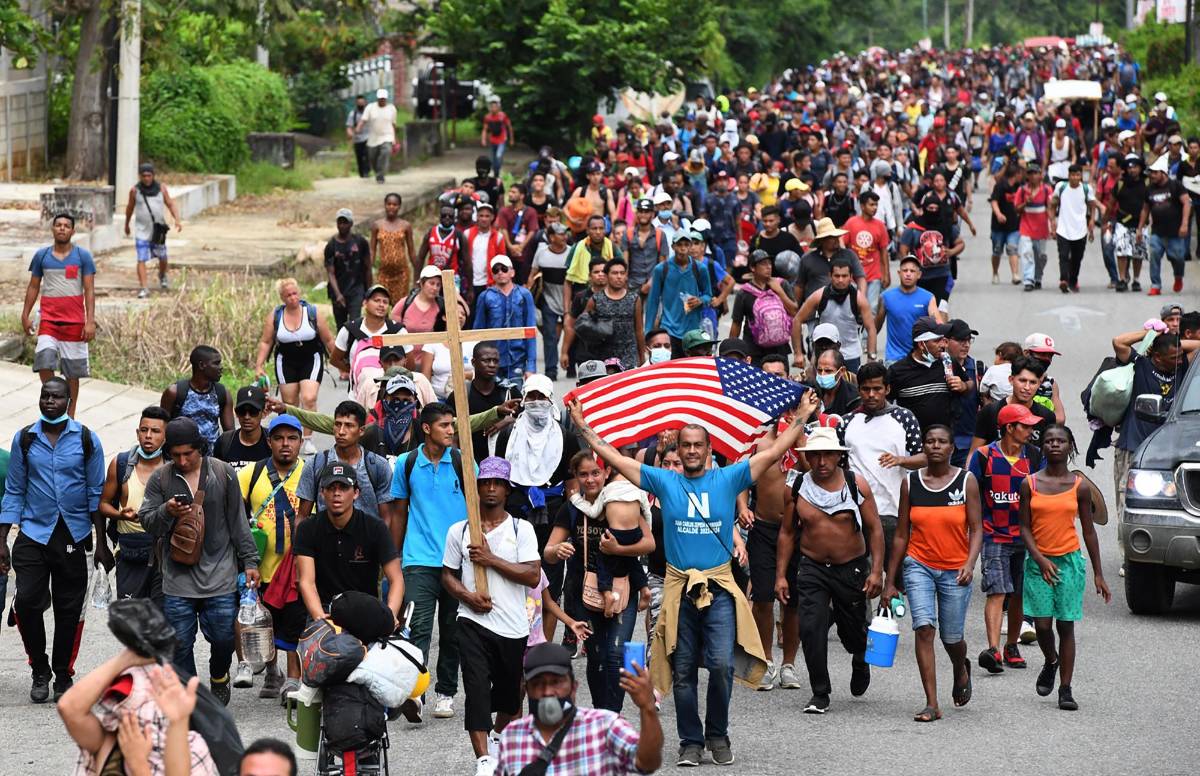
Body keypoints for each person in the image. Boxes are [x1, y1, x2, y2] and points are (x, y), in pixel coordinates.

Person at [569, 392, 817, 767]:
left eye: (698, 445)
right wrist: (583, 426)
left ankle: (718, 734)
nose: (691, 451)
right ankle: (690, 740)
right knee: (682, 668)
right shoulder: (664, 481)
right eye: (685, 445)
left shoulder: (728, 477)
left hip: (718, 588)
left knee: (720, 664)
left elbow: (772, 451)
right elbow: (614, 457)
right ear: (677, 449)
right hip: (677, 587)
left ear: (708, 448)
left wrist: (801, 416)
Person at [138, 417, 260, 705]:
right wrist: (167, 511)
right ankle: (192, 696)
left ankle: (219, 675)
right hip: (177, 578)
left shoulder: (224, 474)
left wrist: (251, 560)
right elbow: (147, 522)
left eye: (188, 454)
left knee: (223, 639)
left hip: (220, 575)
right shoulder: (161, 479)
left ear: (200, 449)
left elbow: (238, 522)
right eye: (175, 454)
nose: (181, 460)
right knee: (179, 644)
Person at [0, 377, 107, 702]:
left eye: (57, 397)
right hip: (32, 533)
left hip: (73, 533)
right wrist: (2, 538)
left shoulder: (87, 440)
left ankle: (62, 673)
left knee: (68, 609)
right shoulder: (25, 440)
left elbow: (94, 494)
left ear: (68, 402)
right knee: (27, 602)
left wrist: (100, 542)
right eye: (45, 396)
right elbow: (14, 489)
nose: (50, 401)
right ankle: (39, 668)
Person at [441, 457, 541, 776]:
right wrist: (468, 596)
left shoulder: (520, 529)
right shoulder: (460, 530)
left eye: (497, 483)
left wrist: (490, 558)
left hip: (512, 626)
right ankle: (483, 759)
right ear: (477, 487)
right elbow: (447, 575)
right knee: (476, 688)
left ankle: (497, 736)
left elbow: (532, 575)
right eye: (485, 482)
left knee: (511, 698)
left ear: (507, 489)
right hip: (471, 620)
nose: (491, 488)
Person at [777, 427, 885, 715]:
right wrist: (780, 576)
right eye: (815, 455)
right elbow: (787, 533)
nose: (821, 461)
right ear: (807, 458)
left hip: (851, 567)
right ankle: (820, 692)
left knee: (854, 632)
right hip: (812, 567)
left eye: (827, 455)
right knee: (810, 629)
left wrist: (876, 572)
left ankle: (860, 657)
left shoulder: (855, 484)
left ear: (839, 456)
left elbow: (875, 529)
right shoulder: (796, 486)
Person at [882, 424, 982, 722]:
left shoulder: (967, 481)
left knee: (952, 638)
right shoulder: (910, 483)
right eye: (929, 441)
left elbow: (976, 529)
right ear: (923, 447)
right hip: (919, 564)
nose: (935, 446)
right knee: (924, 629)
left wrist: (969, 563)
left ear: (952, 447)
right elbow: (901, 535)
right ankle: (932, 703)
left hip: (955, 569)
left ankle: (960, 666)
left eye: (941, 442)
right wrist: (890, 580)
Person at [543, 450, 647, 712]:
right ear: (575, 477)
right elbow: (548, 551)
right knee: (597, 656)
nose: (590, 480)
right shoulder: (572, 508)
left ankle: (612, 716)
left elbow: (649, 543)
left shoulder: (620, 499)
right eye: (583, 474)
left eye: (595, 473)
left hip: (622, 589)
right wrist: (558, 551)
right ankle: (602, 714)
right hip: (583, 593)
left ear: (606, 473)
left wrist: (618, 550)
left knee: (615, 654)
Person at [1019, 425, 1112, 711]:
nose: (1055, 445)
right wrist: (1040, 558)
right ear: (1043, 447)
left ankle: (1066, 689)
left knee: (1066, 625)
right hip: (1038, 562)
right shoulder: (1029, 484)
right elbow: (1024, 527)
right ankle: (1051, 660)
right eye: (1049, 441)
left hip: (1069, 562)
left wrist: (1098, 573)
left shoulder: (1079, 486)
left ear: (1070, 446)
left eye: (1061, 440)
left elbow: (1089, 531)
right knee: (1043, 624)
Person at [392, 402, 473, 722]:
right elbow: (398, 512)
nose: (451, 430)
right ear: (426, 429)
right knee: (417, 628)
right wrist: (394, 557)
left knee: (453, 630)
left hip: (458, 560)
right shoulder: (406, 463)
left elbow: (477, 506)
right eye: (444, 425)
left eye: (452, 425)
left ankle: (446, 692)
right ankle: (415, 692)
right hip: (418, 559)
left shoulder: (462, 461)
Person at [495, 642, 663, 775]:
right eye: (538, 684)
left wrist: (647, 707)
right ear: (527, 690)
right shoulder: (512, 736)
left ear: (574, 688)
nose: (547, 692)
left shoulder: (605, 726)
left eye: (556, 682)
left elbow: (647, 763)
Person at [234, 415, 306, 699]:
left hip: (296, 563)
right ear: (269, 442)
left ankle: (292, 678)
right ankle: (271, 670)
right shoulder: (250, 474)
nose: (285, 444)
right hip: (261, 563)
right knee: (266, 619)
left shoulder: (310, 473)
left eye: (292, 438)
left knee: (295, 619)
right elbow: (235, 511)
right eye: (278, 438)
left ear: (301, 442)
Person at [968, 402, 1042, 674]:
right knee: (997, 591)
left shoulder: (1034, 456)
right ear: (1009, 428)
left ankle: (1012, 646)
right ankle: (994, 649)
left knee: (1018, 595)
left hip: (1026, 537)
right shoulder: (984, 456)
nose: (1031, 430)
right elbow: (971, 492)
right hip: (994, 536)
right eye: (1025, 426)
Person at [59, 651, 215, 776]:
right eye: (119, 699)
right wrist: (125, 659)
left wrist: (138, 765)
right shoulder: (109, 738)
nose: (122, 712)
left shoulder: (192, 749)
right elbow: (69, 708)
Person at [294, 461, 404, 621]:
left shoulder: (375, 528)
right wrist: (320, 618)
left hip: (366, 610)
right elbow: (306, 582)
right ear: (322, 493)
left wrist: (390, 615)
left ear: (356, 493)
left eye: (344, 488)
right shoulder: (307, 528)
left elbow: (396, 579)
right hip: (324, 609)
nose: (336, 493)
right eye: (331, 488)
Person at [20, 213, 97, 418]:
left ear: (73, 231)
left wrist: (90, 321)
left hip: (74, 323)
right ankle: (55, 395)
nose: (62, 228)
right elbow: (33, 286)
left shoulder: (83, 256)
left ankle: (69, 416)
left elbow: (89, 290)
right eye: (58, 225)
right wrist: (25, 314)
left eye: (66, 226)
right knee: (44, 361)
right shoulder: (42, 256)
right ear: (52, 229)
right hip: (49, 321)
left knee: (72, 373)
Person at [254, 278, 335, 455]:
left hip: (310, 358)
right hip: (286, 361)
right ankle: (291, 438)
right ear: (282, 298)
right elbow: (266, 342)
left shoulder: (312, 312)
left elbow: (328, 340)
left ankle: (307, 440)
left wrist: (341, 363)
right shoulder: (276, 315)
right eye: (288, 295)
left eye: (295, 293)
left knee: (309, 398)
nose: (292, 297)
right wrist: (259, 366)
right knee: (289, 403)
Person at [99, 405, 171, 604]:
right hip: (129, 551)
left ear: (165, 436)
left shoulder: (173, 467)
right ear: (137, 433)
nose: (148, 436)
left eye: (155, 431)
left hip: (163, 551)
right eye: (144, 430)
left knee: (160, 618)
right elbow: (103, 504)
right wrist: (121, 515)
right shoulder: (120, 464)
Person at [295, 400, 395, 524]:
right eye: (338, 424)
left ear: (362, 430)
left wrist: (382, 543)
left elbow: (387, 518)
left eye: (349, 425)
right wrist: (299, 542)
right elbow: (302, 516)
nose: (341, 431)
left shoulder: (378, 466)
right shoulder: (316, 464)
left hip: (367, 541)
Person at [792, 256, 876, 372]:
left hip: (850, 355)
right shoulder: (819, 296)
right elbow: (797, 320)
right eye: (837, 276)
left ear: (851, 277)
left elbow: (871, 328)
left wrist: (871, 357)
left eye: (844, 276)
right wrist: (798, 354)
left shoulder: (858, 299)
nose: (840, 280)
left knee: (851, 388)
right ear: (830, 275)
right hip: (824, 354)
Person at [968, 356, 1056, 463]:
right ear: (1011, 380)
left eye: (1033, 382)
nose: (1027, 387)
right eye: (1022, 380)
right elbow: (974, 453)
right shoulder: (990, 412)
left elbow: (1050, 455)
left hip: (1032, 477)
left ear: (1039, 384)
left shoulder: (1046, 416)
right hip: (995, 475)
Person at [329, 284, 404, 407]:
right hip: (356, 397)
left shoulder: (397, 330)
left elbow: (409, 363)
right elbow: (335, 359)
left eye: (385, 302)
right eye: (376, 300)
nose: (381, 305)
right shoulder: (350, 330)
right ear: (365, 303)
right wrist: (356, 370)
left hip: (392, 397)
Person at [643, 232, 713, 358]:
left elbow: (708, 295)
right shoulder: (661, 269)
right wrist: (648, 332)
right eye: (679, 244)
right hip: (668, 328)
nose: (683, 248)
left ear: (690, 246)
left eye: (686, 244)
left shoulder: (700, 268)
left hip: (693, 330)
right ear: (673, 246)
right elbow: (652, 301)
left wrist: (700, 300)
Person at [474, 256, 538, 380]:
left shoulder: (524, 295)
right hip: (491, 361)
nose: (500, 273)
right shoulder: (485, 296)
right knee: (493, 399)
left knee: (516, 397)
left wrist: (531, 367)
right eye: (495, 270)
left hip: (518, 359)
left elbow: (531, 331)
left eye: (504, 269)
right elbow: (478, 331)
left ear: (512, 272)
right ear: (492, 274)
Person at [160, 345, 233, 454]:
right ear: (202, 365)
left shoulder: (222, 393)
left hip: (211, 462)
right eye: (216, 363)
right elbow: (161, 428)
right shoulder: (175, 392)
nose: (221, 367)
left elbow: (230, 435)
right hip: (181, 460)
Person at [729, 250, 798, 364]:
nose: (768, 267)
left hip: (779, 349)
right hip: (754, 350)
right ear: (752, 267)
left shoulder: (782, 284)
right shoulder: (744, 293)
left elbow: (794, 312)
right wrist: (732, 351)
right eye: (763, 264)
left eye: (770, 263)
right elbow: (736, 323)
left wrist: (780, 291)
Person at [123, 162, 182, 298]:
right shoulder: (135, 191)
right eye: (144, 176)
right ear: (140, 177)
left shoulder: (161, 189)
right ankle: (144, 287)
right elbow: (129, 208)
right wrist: (126, 224)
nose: (146, 178)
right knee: (141, 258)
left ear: (153, 176)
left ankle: (162, 275)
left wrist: (177, 220)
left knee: (163, 257)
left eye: (149, 175)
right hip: (141, 230)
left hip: (158, 230)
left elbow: (170, 204)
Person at [1140, 153, 1191, 295]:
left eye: (1155, 173)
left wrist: (1185, 224)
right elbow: (1145, 209)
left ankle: (1178, 277)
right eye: (1151, 173)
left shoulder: (1176, 186)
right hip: (1157, 231)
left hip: (1175, 232)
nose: (1152, 176)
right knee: (1154, 255)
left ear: (1163, 173)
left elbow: (1186, 203)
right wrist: (1140, 228)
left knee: (1178, 258)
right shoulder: (1150, 188)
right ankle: (1156, 285)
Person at [877, 255, 940, 365]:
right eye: (905, 270)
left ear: (919, 275)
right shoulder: (886, 297)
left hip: (920, 357)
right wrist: (871, 353)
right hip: (894, 358)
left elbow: (938, 324)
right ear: (899, 273)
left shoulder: (928, 297)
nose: (908, 274)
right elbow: (875, 327)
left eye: (912, 271)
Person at [528, 222, 571, 379]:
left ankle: (571, 366)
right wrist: (527, 295)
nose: (564, 236)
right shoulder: (541, 252)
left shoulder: (572, 252)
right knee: (550, 335)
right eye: (560, 234)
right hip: (548, 298)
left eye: (565, 233)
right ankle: (551, 371)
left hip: (569, 298)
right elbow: (533, 274)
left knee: (571, 332)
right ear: (551, 237)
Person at [584, 258, 644, 371]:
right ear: (607, 276)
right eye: (615, 273)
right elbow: (584, 327)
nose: (619, 276)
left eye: (622, 273)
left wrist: (642, 357)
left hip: (629, 355)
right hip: (603, 356)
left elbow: (639, 330)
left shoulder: (634, 299)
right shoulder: (596, 300)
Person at [1049, 164, 1100, 293]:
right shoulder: (1061, 187)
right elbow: (1053, 204)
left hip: (1080, 229)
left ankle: (1073, 280)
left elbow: (1092, 205)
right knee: (1063, 255)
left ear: (1081, 176)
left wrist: (1092, 220)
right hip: (1063, 228)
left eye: (1077, 175)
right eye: (1072, 175)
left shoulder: (1086, 188)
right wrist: (1053, 222)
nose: (1075, 178)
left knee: (1077, 258)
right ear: (1068, 176)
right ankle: (1063, 280)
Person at [323, 209, 372, 333]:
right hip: (338, 290)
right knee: (341, 327)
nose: (342, 226)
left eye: (345, 222)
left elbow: (367, 267)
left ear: (351, 224)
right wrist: (338, 294)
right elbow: (330, 272)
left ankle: (354, 350)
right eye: (340, 222)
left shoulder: (360, 242)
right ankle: (343, 351)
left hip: (356, 289)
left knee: (355, 323)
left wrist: (369, 291)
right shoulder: (331, 245)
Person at [842, 190, 891, 312]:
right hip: (854, 275)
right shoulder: (851, 223)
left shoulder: (880, 225)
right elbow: (843, 244)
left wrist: (886, 274)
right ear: (862, 206)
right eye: (871, 204)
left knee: (872, 308)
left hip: (874, 275)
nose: (874, 208)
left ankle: (869, 331)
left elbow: (884, 251)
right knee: (853, 308)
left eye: (876, 205)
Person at [1106, 154, 1147, 292]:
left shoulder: (1147, 183)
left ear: (1140, 168)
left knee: (1138, 253)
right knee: (1121, 250)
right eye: (1130, 167)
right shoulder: (1120, 183)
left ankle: (1136, 280)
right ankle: (1122, 279)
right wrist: (1105, 221)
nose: (1132, 170)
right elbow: (1111, 204)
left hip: (1141, 223)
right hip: (1122, 222)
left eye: (1135, 167)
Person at [211, 386, 270, 471]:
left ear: (264, 413)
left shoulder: (271, 441)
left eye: (253, 412)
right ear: (236, 413)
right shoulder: (224, 442)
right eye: (241, 411)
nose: (247, 417)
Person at [1014, 164, 1054, 292]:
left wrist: (1053, 224)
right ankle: (1028, 279)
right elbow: (1016, 208)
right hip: (1026, 226)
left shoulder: (1047, 190)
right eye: (1030, 173)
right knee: (1026, 252)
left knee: (1040, 255)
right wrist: (1026, 203)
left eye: (1035, 173)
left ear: (1040, 175)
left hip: (1042, 228)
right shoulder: (1022, 190)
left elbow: (1050, 208)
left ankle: (1038, 277)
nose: (1033, 176)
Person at [372, 192, 417, 303]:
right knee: (381, 305)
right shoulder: (377, 225)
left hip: (401, 274)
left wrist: (418, 271)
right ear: (385, 205)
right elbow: (372, 249)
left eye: (395, 204)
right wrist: (368, 269)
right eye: (389, 204)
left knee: (400, 307)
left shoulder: (405, 226)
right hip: (384, 273)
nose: (391, 207)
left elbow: (411, 251)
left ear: (399, 206)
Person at [355, 88, 398, 182]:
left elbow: (394, 124)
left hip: (387, 136)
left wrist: (394, 138)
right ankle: (377, 171)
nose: (382, 100)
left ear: (386, 99)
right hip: (373, 137)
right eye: (380, 98)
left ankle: (380, 174)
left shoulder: (391, 108)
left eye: (383, 99)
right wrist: (358, 128)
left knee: (385, 152)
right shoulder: (370, 107)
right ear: (377, 99)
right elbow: (363, 120)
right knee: (372, 157)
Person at [989, 164, 1023, 285]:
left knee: (1012, 248)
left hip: (1013, 225)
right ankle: (995, 272)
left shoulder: (1020, 187)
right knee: (997, 251)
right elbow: (994, 201)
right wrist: (998, 214)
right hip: (998, 226)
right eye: (1021, 174)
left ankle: (1015, 274)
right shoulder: (1000, 186)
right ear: (1016, 174)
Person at [417, 204, 466, 277]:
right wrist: (417, 279)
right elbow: (421, 257)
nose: (447, 218)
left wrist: (470, 287)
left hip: (451, 277)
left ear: (454, 218)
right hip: (432, 275)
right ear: (439, 217)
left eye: (450, 216)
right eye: (444, 215)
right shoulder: (431, 233)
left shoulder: (459, 235)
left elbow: (467, 262)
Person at [481, 98, 514, 176]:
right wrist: (483, 139)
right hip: (493, 140)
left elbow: (509, 127)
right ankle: (496, 173)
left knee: (498, 156)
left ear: (498, 108)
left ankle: (498, 171)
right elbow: (485, 129)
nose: (493, 109)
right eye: (492, 107)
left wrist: (511, 139)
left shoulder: (502, 116)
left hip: (502, 139)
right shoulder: (488, 117)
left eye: (495, 107)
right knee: (492, 160)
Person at [346, 94, 370, 178]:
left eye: (362, 103)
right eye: (359, 103)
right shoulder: (353, 114)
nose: (361, 104)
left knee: (367, 155)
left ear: (365, 103)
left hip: (368, 137)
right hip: (357, 139)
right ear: (356, 103)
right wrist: (350, 133)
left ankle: (367, 171)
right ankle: (361, 173)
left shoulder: (369, 113)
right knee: (359, 156)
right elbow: (349, 126)